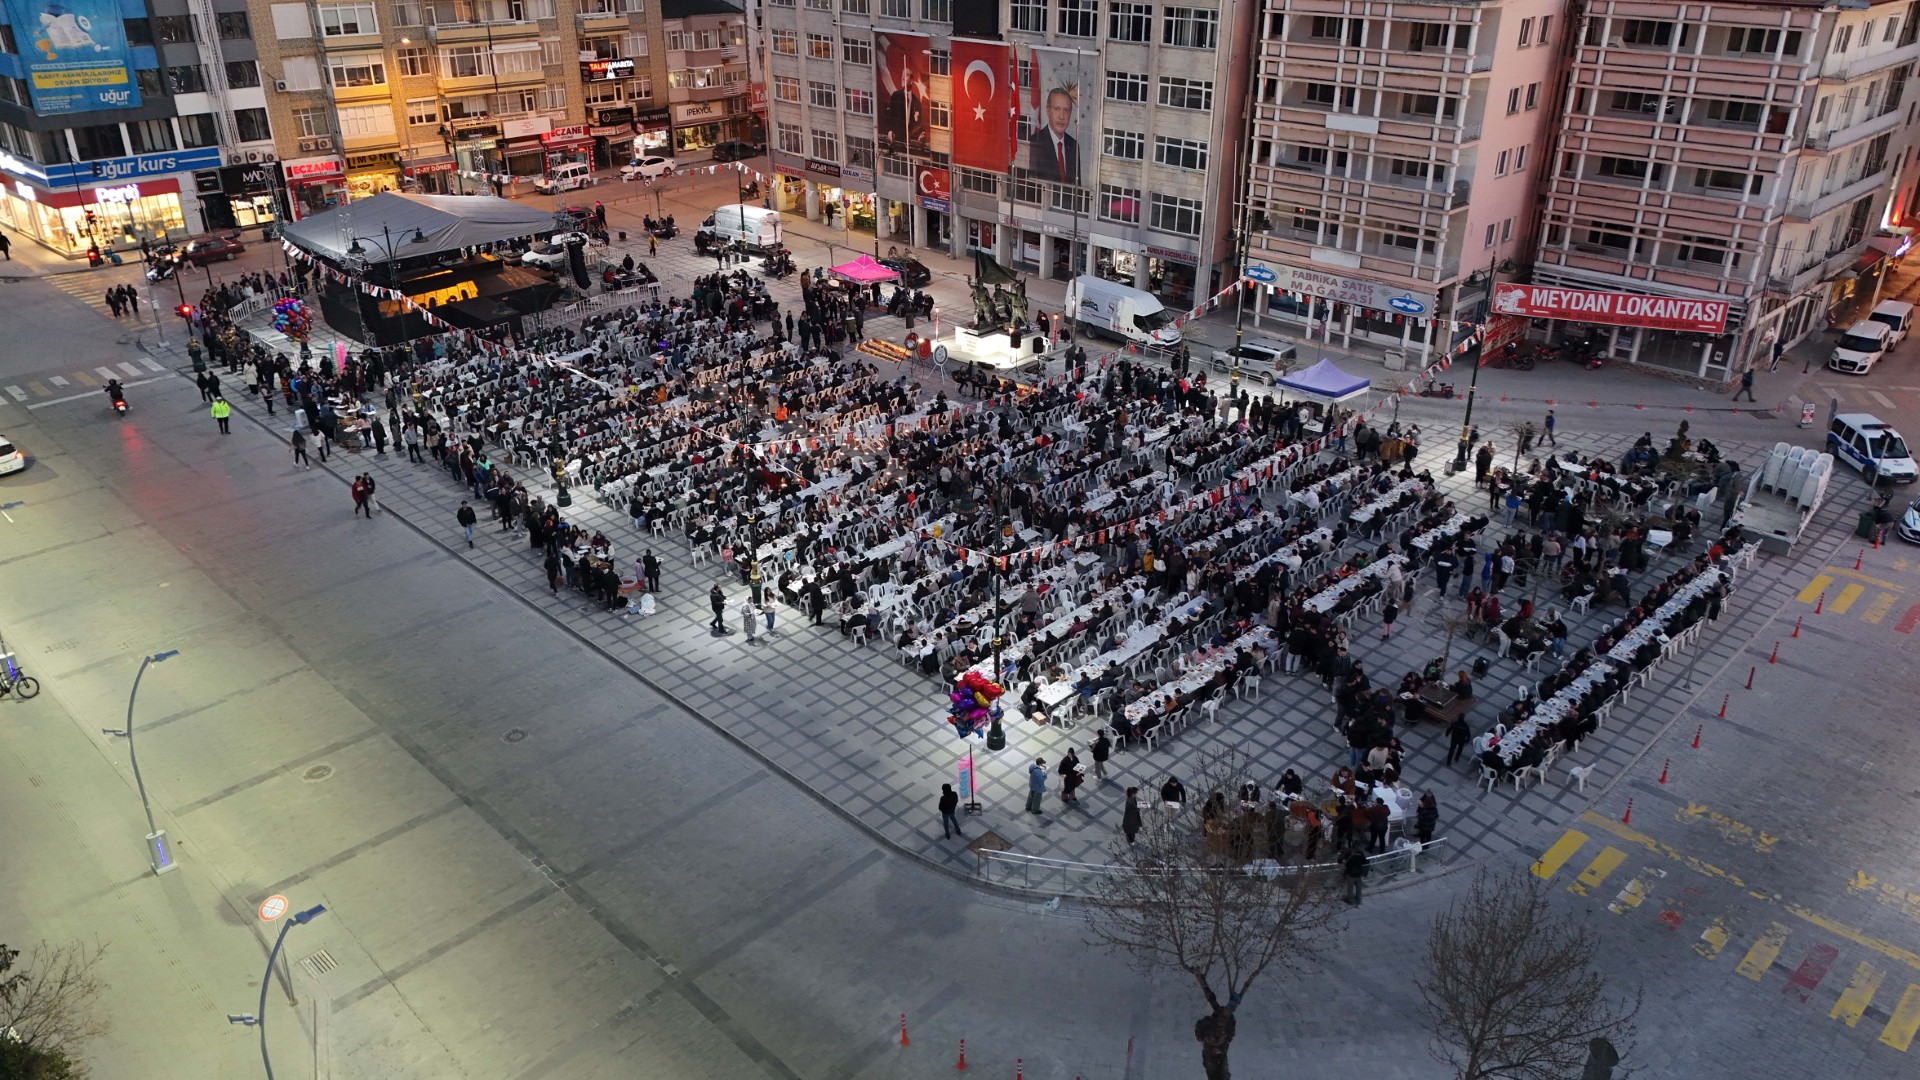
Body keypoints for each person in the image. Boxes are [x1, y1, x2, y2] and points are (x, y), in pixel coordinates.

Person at [1027, 87, 1080, 184]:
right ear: (1048, 111)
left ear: (1070, 114)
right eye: (1057, 109)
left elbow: (1077, 187)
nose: (1061, 116)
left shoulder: (1074, 145)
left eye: (1066, 110)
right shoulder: (1035, 142)